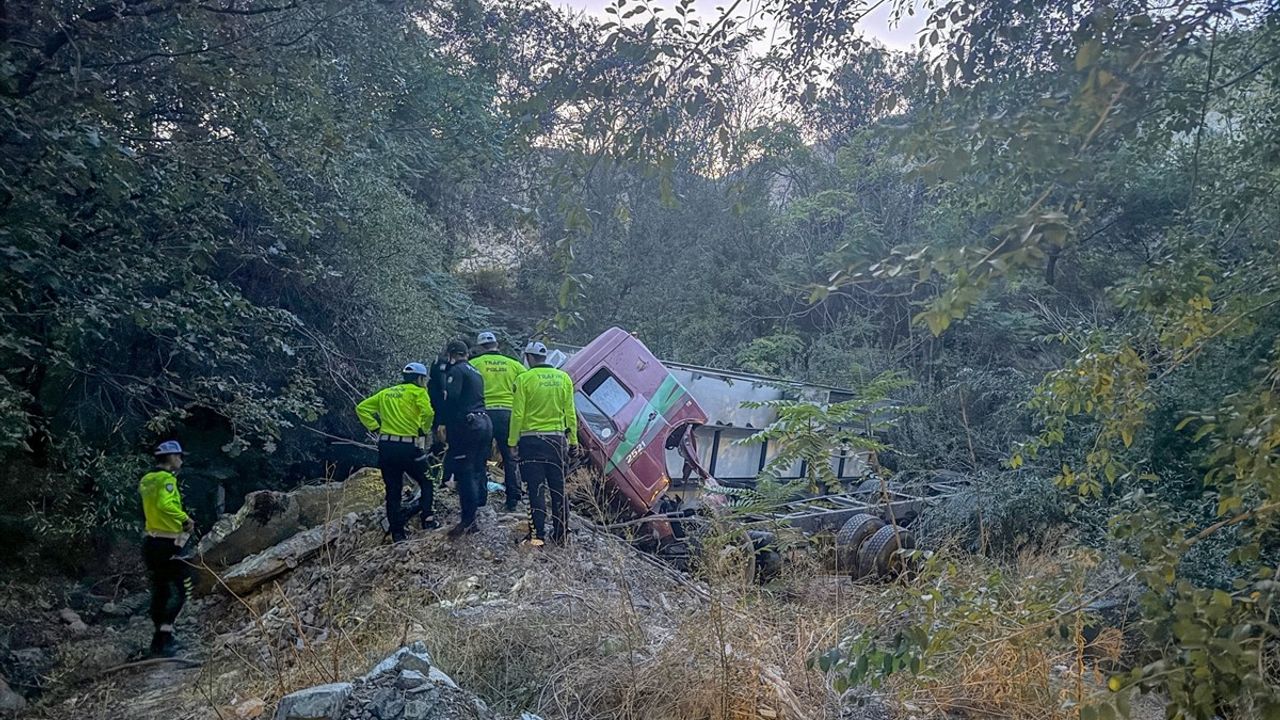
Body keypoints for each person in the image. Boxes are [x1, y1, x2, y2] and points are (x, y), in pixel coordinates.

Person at [355, 363, 437, 542]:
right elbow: (429, 412)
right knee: (427, 480)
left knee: (393, 490)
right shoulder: (418, 392)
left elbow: (361, 408)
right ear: (420, 378)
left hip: (386, 446)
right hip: (408, 446)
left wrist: (375, 427)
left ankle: (397, 533)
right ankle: (428, 519)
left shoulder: (386, 393)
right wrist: (423, 429)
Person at [509, 341, 578, 546]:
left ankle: (537, 537)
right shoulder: (563, 378)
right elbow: (570, 414)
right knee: (559, 490)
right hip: (557, 442)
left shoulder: (524, 379)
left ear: (529, 358)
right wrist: (573, 440)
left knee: (535, 490)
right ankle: (561, 535)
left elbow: (518, 413)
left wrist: (512, 442)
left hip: (531, 442)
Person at [138, 440, 194, 658]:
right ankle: (165, 638)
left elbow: (148, 509)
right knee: (181, 591)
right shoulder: (166, 480)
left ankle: (157, 642)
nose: (181, 460)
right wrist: (185, 518)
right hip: (167, 543)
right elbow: (165, 505)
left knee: (160, 590)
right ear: (170, 457)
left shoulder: (146, 480)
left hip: (151, 543)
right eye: (179, 456)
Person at [439, 339, 493, 538]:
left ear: (452, 354)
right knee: (478, 468)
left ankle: (468, 521)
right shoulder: (475, 371)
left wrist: (444, 424)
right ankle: (479, 506)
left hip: (468, 425)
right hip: (484, 422)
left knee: (466, 472)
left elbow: (452, 399)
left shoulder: (457, 371)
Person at [470, 331, 527, 512]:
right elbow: (528, 385)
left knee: (480, 456)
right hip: (508, 414)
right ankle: (512, 499)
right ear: (497, 346)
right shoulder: (515, 365)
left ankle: (480, 499)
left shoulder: (474, 364)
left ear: (480, 348)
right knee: (509, 457)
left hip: (483, 414)